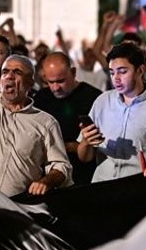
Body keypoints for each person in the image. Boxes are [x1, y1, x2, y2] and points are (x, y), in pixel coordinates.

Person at [0, 0, 70, 196]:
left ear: (30, 83)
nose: (9, 77)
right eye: (5, 72)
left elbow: (61, 167)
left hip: (16, 210)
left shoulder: (45, 123)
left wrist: (46, 180)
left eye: (17, 73)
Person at [77, 42, 146, 182]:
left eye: (123, 71)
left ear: (141, 70)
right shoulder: (102, 101)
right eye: (112, 72)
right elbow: (84, 157)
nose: (116, 78)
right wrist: (86, 141)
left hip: (138, 187)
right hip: (102, 184)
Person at [34, 51, 103, 184]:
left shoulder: (94, 98)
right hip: (49, 176)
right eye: (50, 82)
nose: (55, 87)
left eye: (60, 81)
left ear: (73, 72)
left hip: (84, 176)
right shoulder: (41, 98)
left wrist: (71, 146)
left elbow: (100, 143)